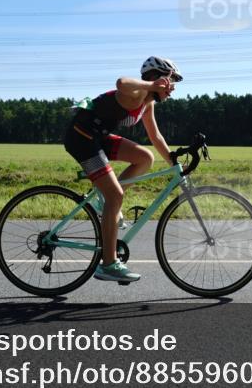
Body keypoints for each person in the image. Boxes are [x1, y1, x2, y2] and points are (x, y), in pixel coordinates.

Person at [63, 56, 182, 283]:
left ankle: (108, 204)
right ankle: (108, 264)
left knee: (145, 158)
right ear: (156, 78)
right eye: (170, 80)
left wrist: (174, 163)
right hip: (82, 137)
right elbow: (121, 82)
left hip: (98, 136)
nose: (173, 88)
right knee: (115, 195)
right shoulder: (136, 92)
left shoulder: (147, 103)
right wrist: (150, 85)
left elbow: (155, 137)